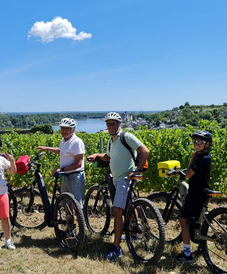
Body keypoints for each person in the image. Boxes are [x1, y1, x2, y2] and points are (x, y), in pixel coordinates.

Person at [86, 112, 149, 261]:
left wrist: (137, 171)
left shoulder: (126, 136)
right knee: (127, 206)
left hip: (125, 178)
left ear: (119, 124)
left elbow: (144, 151)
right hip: (117, 179)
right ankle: (135, 232)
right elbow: (108, 157)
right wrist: (96, 154)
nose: (111, 126)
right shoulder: (111, 140)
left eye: (114, 123)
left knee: (117, 210)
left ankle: (116, 247)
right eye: (109, 124)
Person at [175, 130, 212, 263]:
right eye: (195, 141)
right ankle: (201, 248)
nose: (196, 144)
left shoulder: (201, 159)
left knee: (183, 220)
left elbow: (188, 174)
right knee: (198, 221)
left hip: (196, 193)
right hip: (202, 191)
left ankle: (187, 254)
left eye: (200, 142)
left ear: (207, 144)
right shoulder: (206, 157)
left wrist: (191, 159)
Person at [36, 118, 85, 206]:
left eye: (67, 128)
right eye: (62, 128)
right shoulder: (64, 140)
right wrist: (47, 148)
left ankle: (80, 220)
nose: (64, 131)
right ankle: (69, 220)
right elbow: (60, 151)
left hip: (75, 176)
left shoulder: (77, 142)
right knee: (66, 203)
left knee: (77, 205)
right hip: (65, 175)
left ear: (73, 130)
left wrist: (61, 169)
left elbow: (78, 164)